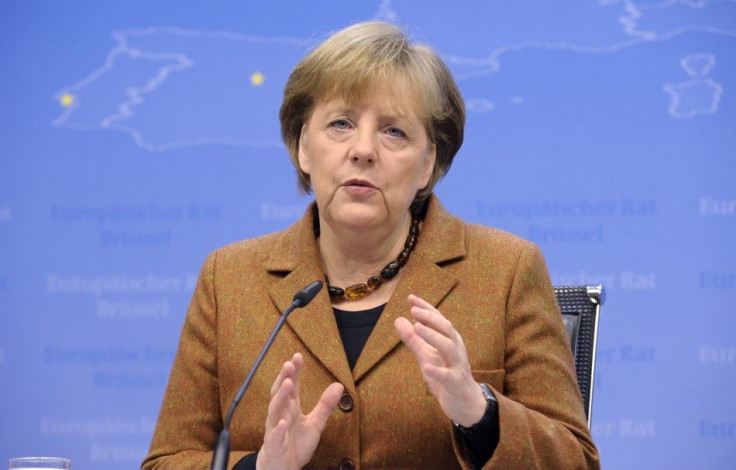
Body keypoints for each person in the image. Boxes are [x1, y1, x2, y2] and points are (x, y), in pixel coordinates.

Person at [142, 21, 599, 470]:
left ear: (427, 164)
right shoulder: (229, 279)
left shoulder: (506, 270)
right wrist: (259, 467)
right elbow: (166, 461)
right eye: (341, 123)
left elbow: (576, 461)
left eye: (393, 132)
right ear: (304, 147)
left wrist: (478, 413)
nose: (363, 149)